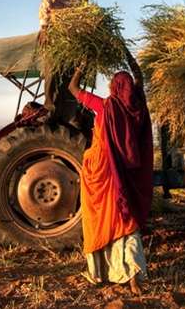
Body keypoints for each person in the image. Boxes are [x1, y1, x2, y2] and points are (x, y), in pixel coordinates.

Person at [68, 52, 154, 295]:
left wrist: (82, 64)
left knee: (102, 218)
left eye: (111, 84)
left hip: (102, 172)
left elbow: (72, 88)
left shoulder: (105, 105)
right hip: (126, 173)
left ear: (115, 87)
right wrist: (126, 53)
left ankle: (101, 272)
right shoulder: (138, 104)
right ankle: (134, 276)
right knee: (126, 220)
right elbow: (139, 77)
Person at [38, 0, 90, 123]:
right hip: (56, 29)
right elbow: (47, 1)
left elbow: (85, 7)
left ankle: (67, 112)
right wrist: (44, 27)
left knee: (71, 71)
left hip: (74, 33)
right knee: (53, 68)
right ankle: (49, 107)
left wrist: (86, 29)